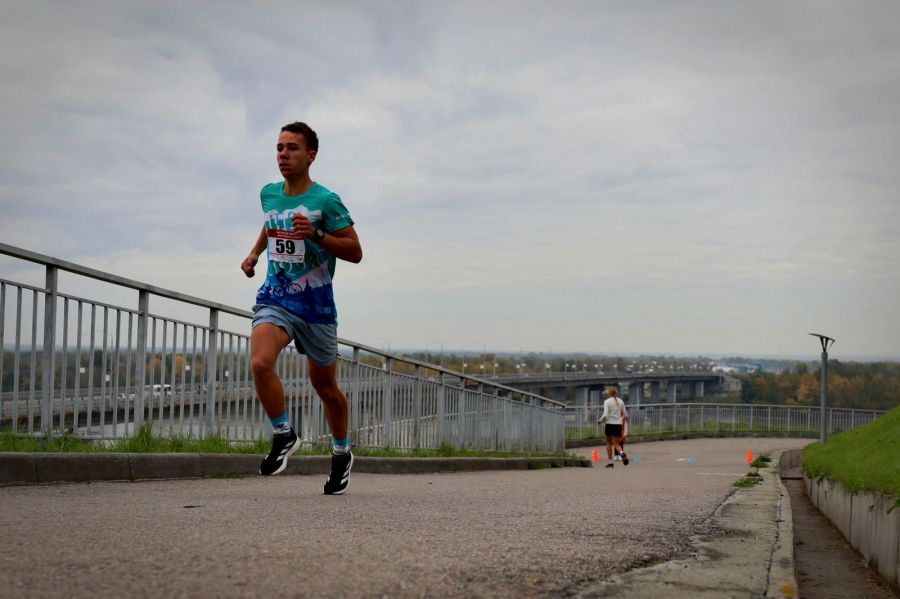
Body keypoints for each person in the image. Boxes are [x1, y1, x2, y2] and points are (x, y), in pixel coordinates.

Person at [241, 121, 362, 495]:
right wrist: (254, 252)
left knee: (325, 387)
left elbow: (355, 251)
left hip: (316, 307)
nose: (283, 154)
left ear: (311, 155)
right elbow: (270, 223)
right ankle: (283, 432)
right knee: (260, 361)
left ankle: (342, 453)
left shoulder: (326, 201)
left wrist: (318, 234)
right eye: (279, 147)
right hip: (276, 296)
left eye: (292, 148)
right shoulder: (268, 194)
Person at [598, 387, 629, 468]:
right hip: (618, 425)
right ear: (616, 393)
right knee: (617, 444)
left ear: (609, 393)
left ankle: (610, 462)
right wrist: (624, 422)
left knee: (608, 443)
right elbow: (625, 415)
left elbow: (605, 414)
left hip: (609, 424)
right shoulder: (621, 401)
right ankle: (622, 453)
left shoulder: (607, 401)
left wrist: (600, 420)